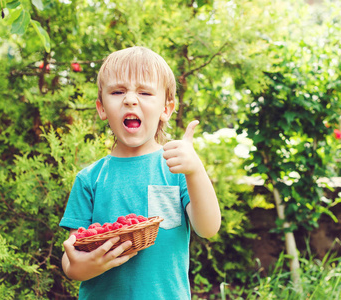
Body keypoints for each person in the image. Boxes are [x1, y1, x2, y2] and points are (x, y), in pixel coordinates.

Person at [59, 46, 221, 299]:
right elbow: (71, 262)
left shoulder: (176, 168)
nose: (130, 99)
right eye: (118, 91)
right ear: (102, 108)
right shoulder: (90, 179)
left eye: (144, 92)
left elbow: (208, 227)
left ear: (166, 110)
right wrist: (85, 267)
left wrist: (196, 170)